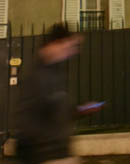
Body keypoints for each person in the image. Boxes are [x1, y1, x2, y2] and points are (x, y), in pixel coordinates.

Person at [16, 23, 100, 164]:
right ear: (55, 44)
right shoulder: (36, 76)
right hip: (45, 155)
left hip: (60, 152)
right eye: (69, 47)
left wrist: (81, 110)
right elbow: (27, 120)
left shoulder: (57, 73)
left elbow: (61, 111)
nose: (71, 52)